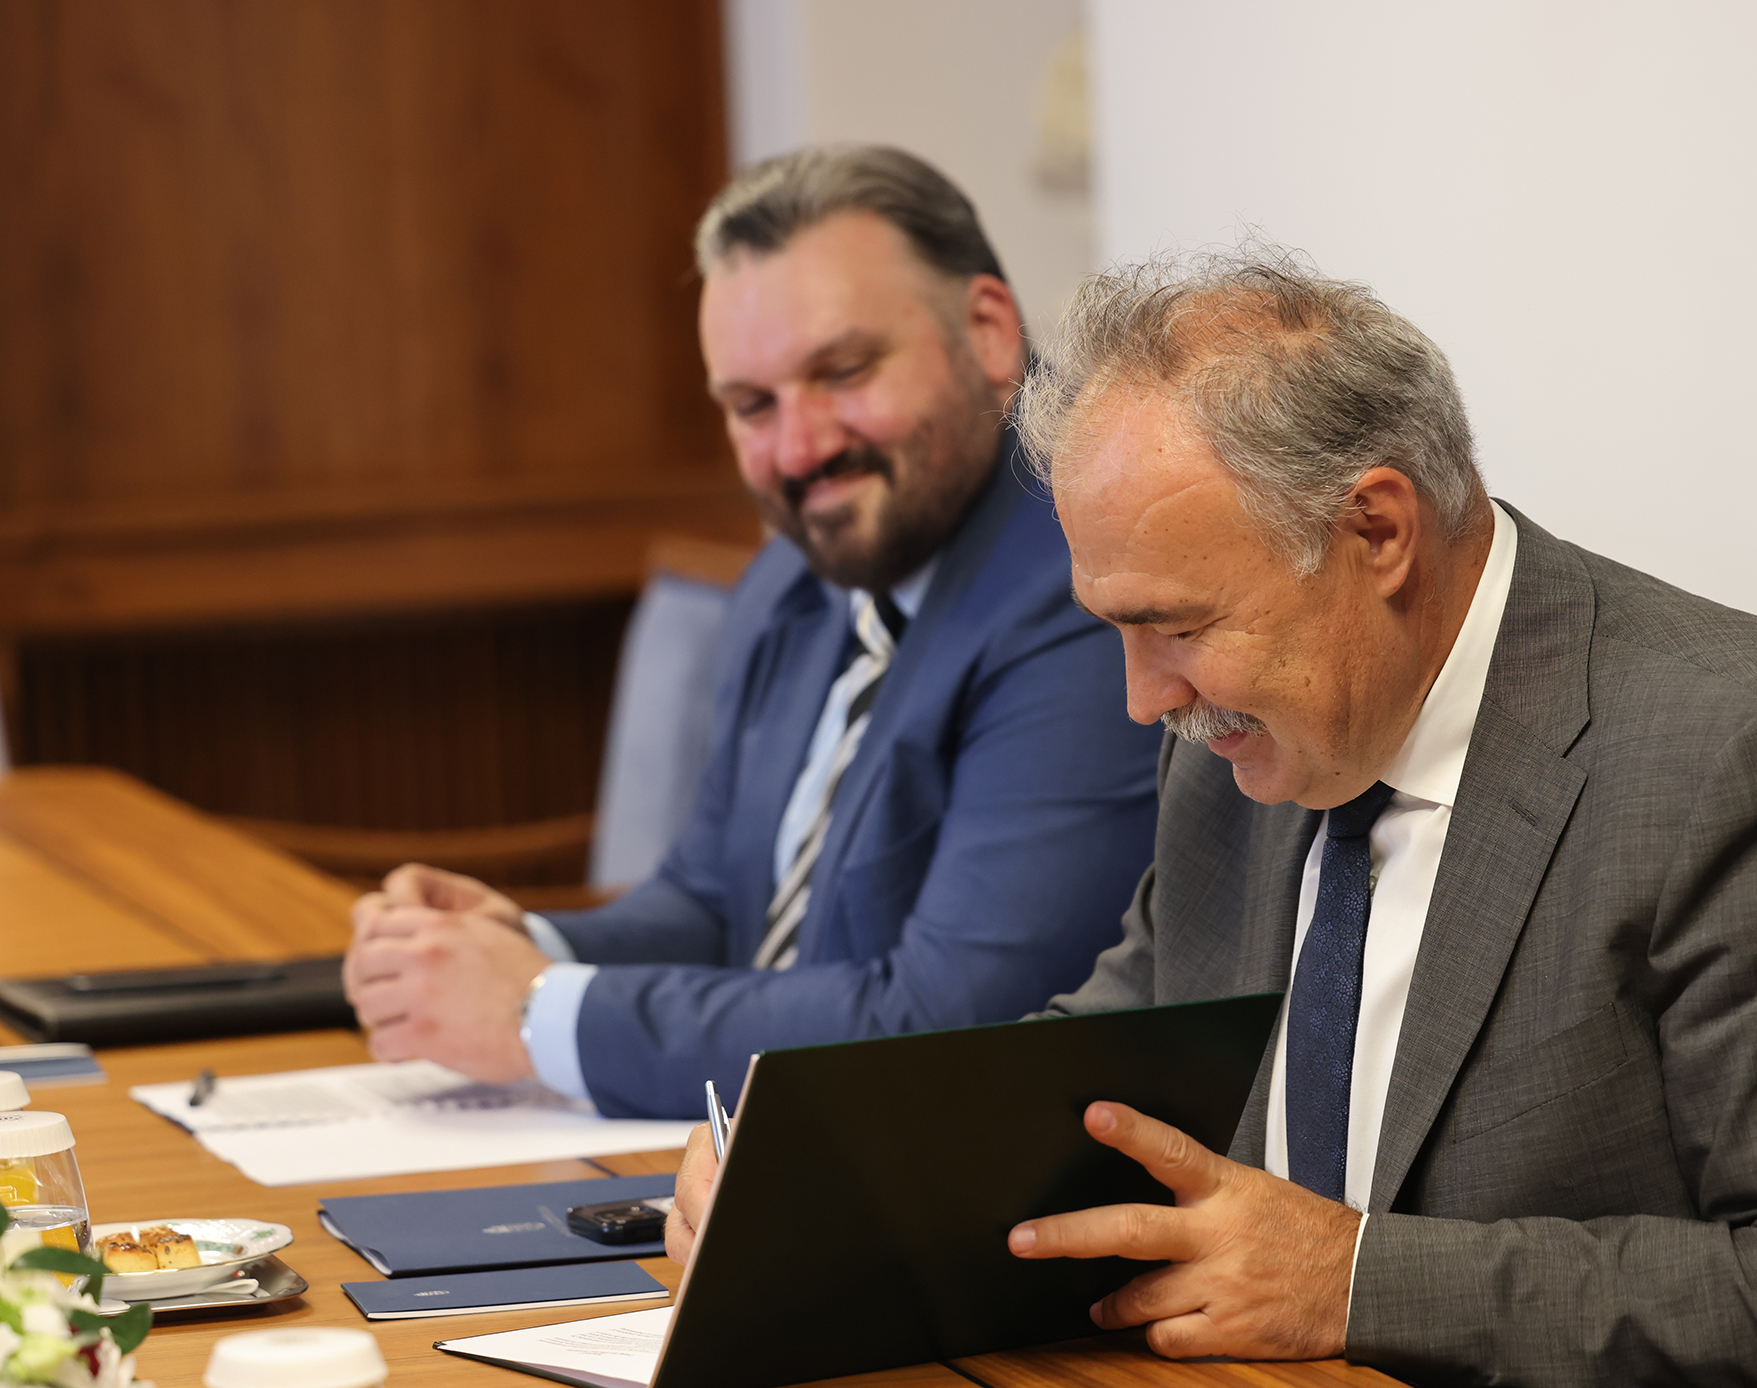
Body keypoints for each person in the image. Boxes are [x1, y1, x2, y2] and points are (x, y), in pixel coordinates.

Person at [661, 243, 1757, 1384]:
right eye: (1116, 627)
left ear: (1377, 531)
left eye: (1178, 627)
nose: (1143, 698)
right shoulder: (1239, 748)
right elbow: (1095, 1075)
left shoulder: (1742, 764)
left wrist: (1354, 1280)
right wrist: (815, 1191)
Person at [341, 147, 1163, 1119]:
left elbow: (951, 1023)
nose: (801, 448)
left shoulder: (1085, 585)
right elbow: (712, 899)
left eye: (843, 371)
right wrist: (519, 946)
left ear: (987, 332)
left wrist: (534, 1012)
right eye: (752, 406)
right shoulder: (796, 576)